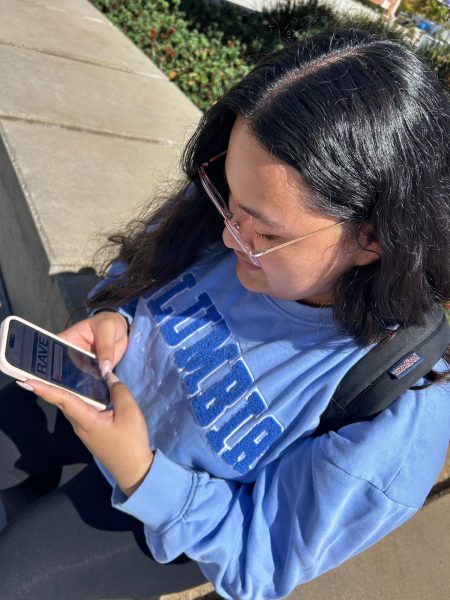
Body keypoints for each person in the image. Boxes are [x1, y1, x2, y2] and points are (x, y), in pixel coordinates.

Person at [0, 27, 449, 600]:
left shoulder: (396, 406)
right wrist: (120, 318)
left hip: (176, 505)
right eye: (227, 200)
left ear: (374, 240)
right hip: (99, 387)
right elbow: (140, 271)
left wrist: (139, 469)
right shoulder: (236, 203)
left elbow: (258, 557)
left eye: (264, 232)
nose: (229, 235)